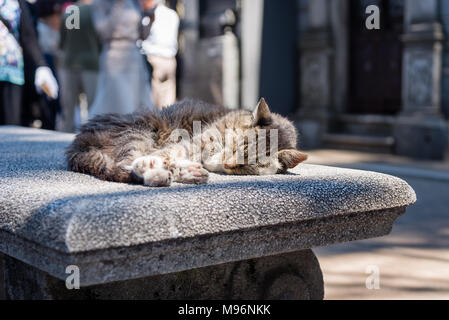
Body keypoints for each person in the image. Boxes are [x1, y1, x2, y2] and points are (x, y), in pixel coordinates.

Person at [89, 0, 154, 118]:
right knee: (120, 102)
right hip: (113, 55)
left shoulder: (134, 2)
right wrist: (118, 6)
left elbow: (142, 35)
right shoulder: (100, 3)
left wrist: (150, 19)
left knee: (139, 101)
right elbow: (103, 31)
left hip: (134, 56)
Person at [0, 0, 59, 126]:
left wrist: (41, 65)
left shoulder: (17, 3)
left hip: (12, 70)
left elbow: (28, 36)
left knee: (10, 126)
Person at [58, 0, 101, 132]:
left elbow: (62, 41)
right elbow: (100, 38)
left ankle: (63, 134)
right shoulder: (96, 11)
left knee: (68, 107)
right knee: (93, 106)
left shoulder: (69, 11)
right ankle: (92, 136)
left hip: (70, 61)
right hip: (91, 63)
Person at [141, 0, 179, 109]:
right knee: (168, 100)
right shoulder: (173, 15)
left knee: (154, 102)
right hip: (170, 59)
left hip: (154, 59)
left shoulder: (150, 16)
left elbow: (144, 37)